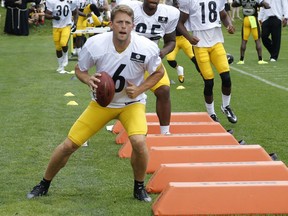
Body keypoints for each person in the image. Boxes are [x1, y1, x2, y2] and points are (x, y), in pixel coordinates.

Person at [26, 4, 164, 202]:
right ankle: (44, 183)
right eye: (119, 22)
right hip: (101, 104)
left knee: (139, 142)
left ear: (133, 25)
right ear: (111, 24)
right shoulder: (96, 44)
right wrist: (88, 79)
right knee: (69, 145)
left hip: (131, 104)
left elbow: (159, 72)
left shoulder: (145, 46)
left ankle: (139, 187)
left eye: (127, 23)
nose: (123, 27)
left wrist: (141, 89)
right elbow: (80, 70)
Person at [120, 0, 180, 134]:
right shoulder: (130, 8)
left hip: (151, 59)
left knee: (164, 90)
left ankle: (165, 131)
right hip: (128, 59)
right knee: (118, 92)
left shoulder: (170, 13)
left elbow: (171, 41)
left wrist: (162, 52)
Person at [177, 0, 237, 123]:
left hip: (216, 41)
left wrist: (229, 25)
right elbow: (179, 23)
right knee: (209, 82)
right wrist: (189, 37)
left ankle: (226, 106)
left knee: (226, 77)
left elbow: (224, 15)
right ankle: (211, 113)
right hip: (200, 45)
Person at [164, 0, 200, 83]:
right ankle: (179, 69)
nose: (177, 7)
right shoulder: (168, 14)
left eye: (178, 5)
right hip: (173, 40)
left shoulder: (184, 13)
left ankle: (203, 74)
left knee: (194, 58)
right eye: (175, 5)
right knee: (170, 59)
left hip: (184, 39)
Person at [232, 0, 270, 65]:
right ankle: (260, 59)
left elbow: (233, 4)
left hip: (246, 19)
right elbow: (267, 5)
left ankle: (241, 60)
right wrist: (263, 4)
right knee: (257, 40)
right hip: (253, 20)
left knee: (244, 40)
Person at [45, 0, 78, 73]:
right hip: (56, 27)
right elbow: (46, 15)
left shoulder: (70, 2)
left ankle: (65, 56)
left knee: (63, 43)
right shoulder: (52, 2)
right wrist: (53, 17)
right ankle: (60, 67)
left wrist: (75, 23)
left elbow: (75, 12)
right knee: (58, 48)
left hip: (66, 25)